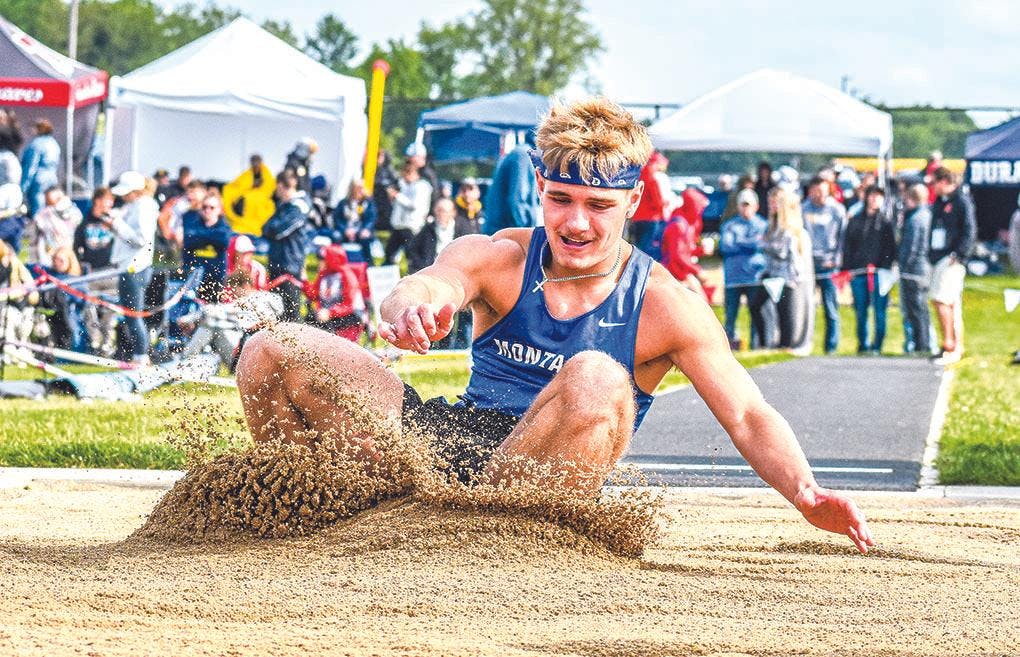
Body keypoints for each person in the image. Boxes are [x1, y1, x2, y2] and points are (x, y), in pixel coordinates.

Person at [236, 97, 874, 555]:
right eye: (560, 199)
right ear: (539, 186)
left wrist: (807, 494)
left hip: (536, 477)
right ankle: (304, 513)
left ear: (631, 202)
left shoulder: (665, 302)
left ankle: (469, 539)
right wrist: (410, 305)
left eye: (599, 206)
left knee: (597, 376)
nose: (576, 223)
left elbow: (748, 414)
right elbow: (435, 280)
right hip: (439, 448)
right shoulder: (504, 255)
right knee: (273, 345)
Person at [752, 187, 814, 351]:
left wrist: (765, 244)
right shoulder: (772, 226)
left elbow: (784, 252)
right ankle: (766, 341)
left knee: (785, 312)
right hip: (772, 274)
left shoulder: (791, 230)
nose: (772, 206)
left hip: (787, 277)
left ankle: (786, 344)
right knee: (756, 304)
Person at [109, 171, 159, 365]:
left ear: (135, 191)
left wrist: (117, 225)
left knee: (133, 314)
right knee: (130, 314)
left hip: (135, 268)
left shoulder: (144, 207)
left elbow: (140, 239)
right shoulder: (134, 205)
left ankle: (141, 356)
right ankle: (139, 355)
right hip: (129, 266)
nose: (122, 196)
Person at [928, 168, 976, 364]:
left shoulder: (961, 201)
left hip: (952, 259)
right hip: (939, 256)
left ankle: (950, 345)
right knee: (946, 302)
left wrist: (959, 254)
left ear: (945, 180)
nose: (933, 187)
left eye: (936, 182)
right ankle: (953, 345)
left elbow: (969, 230)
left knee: (943, 300)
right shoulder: (939, 203)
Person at [842, 186, 896, 354]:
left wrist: (883, 267)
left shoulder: (886, 223)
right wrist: (849, 269)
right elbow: (848, 246)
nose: (874, 200)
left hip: (880, 273)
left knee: (880, 311)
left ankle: (877, 345)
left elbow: (891, 248)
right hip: (859, 272)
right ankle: (862, 344)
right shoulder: (855, 220)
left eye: (878, 197)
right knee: (861, 311)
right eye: (872, 196)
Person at [802, 176, 847, 354]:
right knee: (806, 307)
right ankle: (805, 344)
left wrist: (836, 260)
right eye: (816, 191)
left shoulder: (837, 210)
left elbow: (843, 239)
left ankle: (831, 347)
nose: (819, 194)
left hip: (829, 266)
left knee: (831, 308)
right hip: (808, 266)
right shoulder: (803, 209)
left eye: (822, 191)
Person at [719, 189, 768, 350]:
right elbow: (726, 246)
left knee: (755, 314)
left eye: (748, 205)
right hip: (733, 278)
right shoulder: (729, 225)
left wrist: (740, 242)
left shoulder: (763, 224)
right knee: (731, 316)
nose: (745, 208)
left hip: (755, 277)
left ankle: (756, 345)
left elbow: (762, 245)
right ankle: (729, 347)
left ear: (756, 206)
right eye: (742, 205)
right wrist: (751, 243)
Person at [73, 186, 119, 356]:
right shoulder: (85, 222)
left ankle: (108, 344)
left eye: (111, 201)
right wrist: (80, 265)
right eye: (106, 200)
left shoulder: (114, 221)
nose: (109, 204)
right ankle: (95, 340)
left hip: (111, 272)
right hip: (92, 272)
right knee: (89, 308)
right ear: (97, 201)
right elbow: (76, 246)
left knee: (110, 311)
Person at [262, 169, 312, 322]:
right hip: (278, 263)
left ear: (282, 186)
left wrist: (271, 229)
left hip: (289, 266)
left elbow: (277, 230)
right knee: (277, 314)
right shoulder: (285, 206)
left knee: (292, 315)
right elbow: (265, 228)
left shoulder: (298, 207)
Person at [304, 244, 365, 343]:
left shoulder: (347, 276)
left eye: (322, 259)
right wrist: (304, 280)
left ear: (331, 259)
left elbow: (349, 305)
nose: (319, 262)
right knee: (309, 319)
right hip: (328, 315)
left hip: (348, 317)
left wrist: (330, 313)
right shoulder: (323, 274)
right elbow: (313, 295)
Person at [898, 184, 933, 355]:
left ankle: (921, 344)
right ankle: (924, 342)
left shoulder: (914, 219)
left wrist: (903, 266)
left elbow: (910, 247)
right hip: (925, 268)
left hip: (913, 270)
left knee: (915, 309)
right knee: (922, 308)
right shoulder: (928, 215)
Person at [182, 193, 234, 302]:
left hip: (216, 278)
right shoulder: (193, 224)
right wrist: (211, 237)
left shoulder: (224, 227)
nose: (207, 210)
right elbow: (188, 241)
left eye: (212, 207)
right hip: (193, 278)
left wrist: (200, 237)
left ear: (219, 210)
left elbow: (223, 241)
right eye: (204, 207)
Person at [37, 246, 89, 353]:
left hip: (70, 316)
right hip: (49, 312)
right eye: (55, 259)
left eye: (61, 260)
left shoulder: (77, 280)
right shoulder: (49, 274)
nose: (57, 263)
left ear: (70, 261)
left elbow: (83, 301)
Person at [483, 145, 541, 235]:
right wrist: (527, 237)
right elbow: (517, 200)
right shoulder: (523, 155)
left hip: (501, 232)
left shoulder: (519, 154)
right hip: (505, 235)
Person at [384, 159, 432, 265]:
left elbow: (414, 205)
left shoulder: (422, 186)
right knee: (389, 253)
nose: (405, 175)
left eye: (408, 171)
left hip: (412, 227)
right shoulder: (404, 185)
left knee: (412, 256)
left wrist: (397, 195)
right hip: (399, 226)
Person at [630, 151, 677, 260]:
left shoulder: (639, 176)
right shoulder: (653, 178)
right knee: (649, 247)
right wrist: (664, 205)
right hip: (651, 217)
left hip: (637, 217)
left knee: (639, 246)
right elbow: (657, 201)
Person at [0, 238, 39, 365]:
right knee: (8, 324)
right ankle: (8, 352)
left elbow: (31, 287)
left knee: (24, 326)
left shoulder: (16, 265)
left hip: (19, 303)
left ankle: (22, 351)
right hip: (5, 306)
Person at [223, 154, 276, 239]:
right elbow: (234, 188)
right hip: (245, 209)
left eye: (257, 162)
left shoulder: (267, 176)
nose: (255, 165)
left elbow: (270, 190)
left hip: (260, 207)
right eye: (253, 163)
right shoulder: (246, 175)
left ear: (261, 163)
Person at [27, 186, 82, 266]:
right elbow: (28, 242)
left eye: (58, 199)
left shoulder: (75, 213)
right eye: (49, 203)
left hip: (71, 260)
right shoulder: (41, 217)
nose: (56, 205)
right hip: (49, 262)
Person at [19, 119, 61, 218]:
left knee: (37, 211)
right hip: (52, 179)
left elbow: (30, 167)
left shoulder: (36, 144)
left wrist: (23, 187)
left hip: (39, 181)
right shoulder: (54, 143)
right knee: (51, 210)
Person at [407, 198, 457, 275]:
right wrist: (422, 266)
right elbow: (412, 248)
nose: (441, 214)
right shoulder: (428, 229)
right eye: (439, 210)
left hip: (454, 270)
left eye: (445, 211)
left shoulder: (460, 229)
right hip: (430, 270)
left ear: (453, 213)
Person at [333, 179, 377, 264]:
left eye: (362, 188)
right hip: (346, 231)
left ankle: (368, 264)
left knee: (365, 239)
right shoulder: (343, 203)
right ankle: (337, 263)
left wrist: (366, 229)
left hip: (361, 230)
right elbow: (337, 219)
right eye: (358, 188)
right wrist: (345, 230)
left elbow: (371, 218)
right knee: (336, 237)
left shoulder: (368, 203)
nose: (360, 191)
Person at [372, 150, 398, 231]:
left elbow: (395, 183)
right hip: (375, 196)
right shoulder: (373, 169)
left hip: (385, 198)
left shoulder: (389, 170)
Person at [0, 109, 23, 187]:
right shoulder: (13, 129)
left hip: (5, 158)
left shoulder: (5, 130)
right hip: (12, 159)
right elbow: (20, 141)